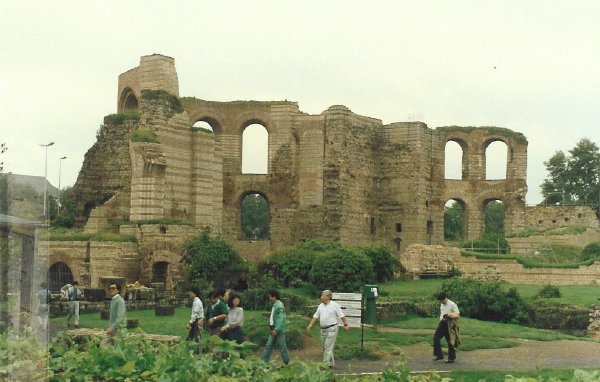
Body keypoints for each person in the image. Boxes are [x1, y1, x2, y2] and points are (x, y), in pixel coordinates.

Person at [306, 289, 349, 368]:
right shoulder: (320, 306)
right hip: (323, 329)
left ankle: (324, 365)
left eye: (322, 295)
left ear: (328, 297)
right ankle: (330, 363)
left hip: (332, 328)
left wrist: (345, 325)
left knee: (328, 346)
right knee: (325, 347)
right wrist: (311, 325)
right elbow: (316, 316)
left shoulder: (335, 305)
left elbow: (342, 316)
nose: (321, 297)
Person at [260, 290, 291, 365]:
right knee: (269, 345)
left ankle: (287, 362)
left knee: (282, 346)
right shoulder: (276, 305)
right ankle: (262, 362)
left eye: (270, 297)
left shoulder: (279, 306)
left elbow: (280, 318)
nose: (269, 298)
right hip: (274, 329)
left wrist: (276, 329)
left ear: (274, 297)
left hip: (278, 330)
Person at [432, 292, 460, 364]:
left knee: (450, 341)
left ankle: (451, 358)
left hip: (449, 324)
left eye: (442, 300)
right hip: (442, 323)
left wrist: (449, 314)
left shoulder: (452, 304)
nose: (441, 302)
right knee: (436, 338)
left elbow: (457, 314)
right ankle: (439, 355)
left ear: (445, 298)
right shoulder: (442, 304)